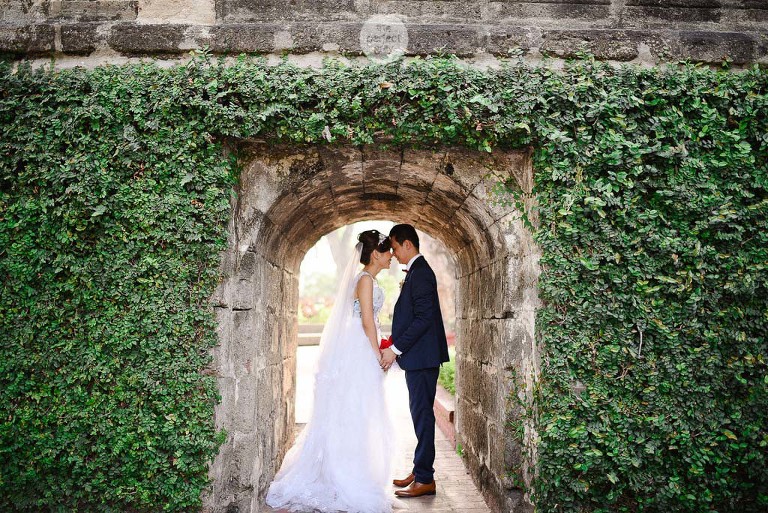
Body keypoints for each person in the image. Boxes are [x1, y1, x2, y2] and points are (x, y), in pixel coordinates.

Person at [266, 230, 396, 513]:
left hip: (360, 345)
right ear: (375, 254)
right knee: (353, 409)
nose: (391, 257)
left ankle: (357, 469)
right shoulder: (364, 280)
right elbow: (366, 322)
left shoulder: (368, 280)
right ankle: (344, 475)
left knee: (358, 409)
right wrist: (377, 354)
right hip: (359, 347)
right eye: (388, 252)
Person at [381, 223, 450, 498]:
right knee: (418, 415)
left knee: (422, 416)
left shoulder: (421, 273)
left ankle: (425, 478)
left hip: (422, 358)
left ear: (407, 244)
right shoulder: (416, 273)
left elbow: (423, 319)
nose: (394, 254)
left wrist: (395, 348)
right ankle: (419, 469)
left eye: (396, 248)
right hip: (419, 358)